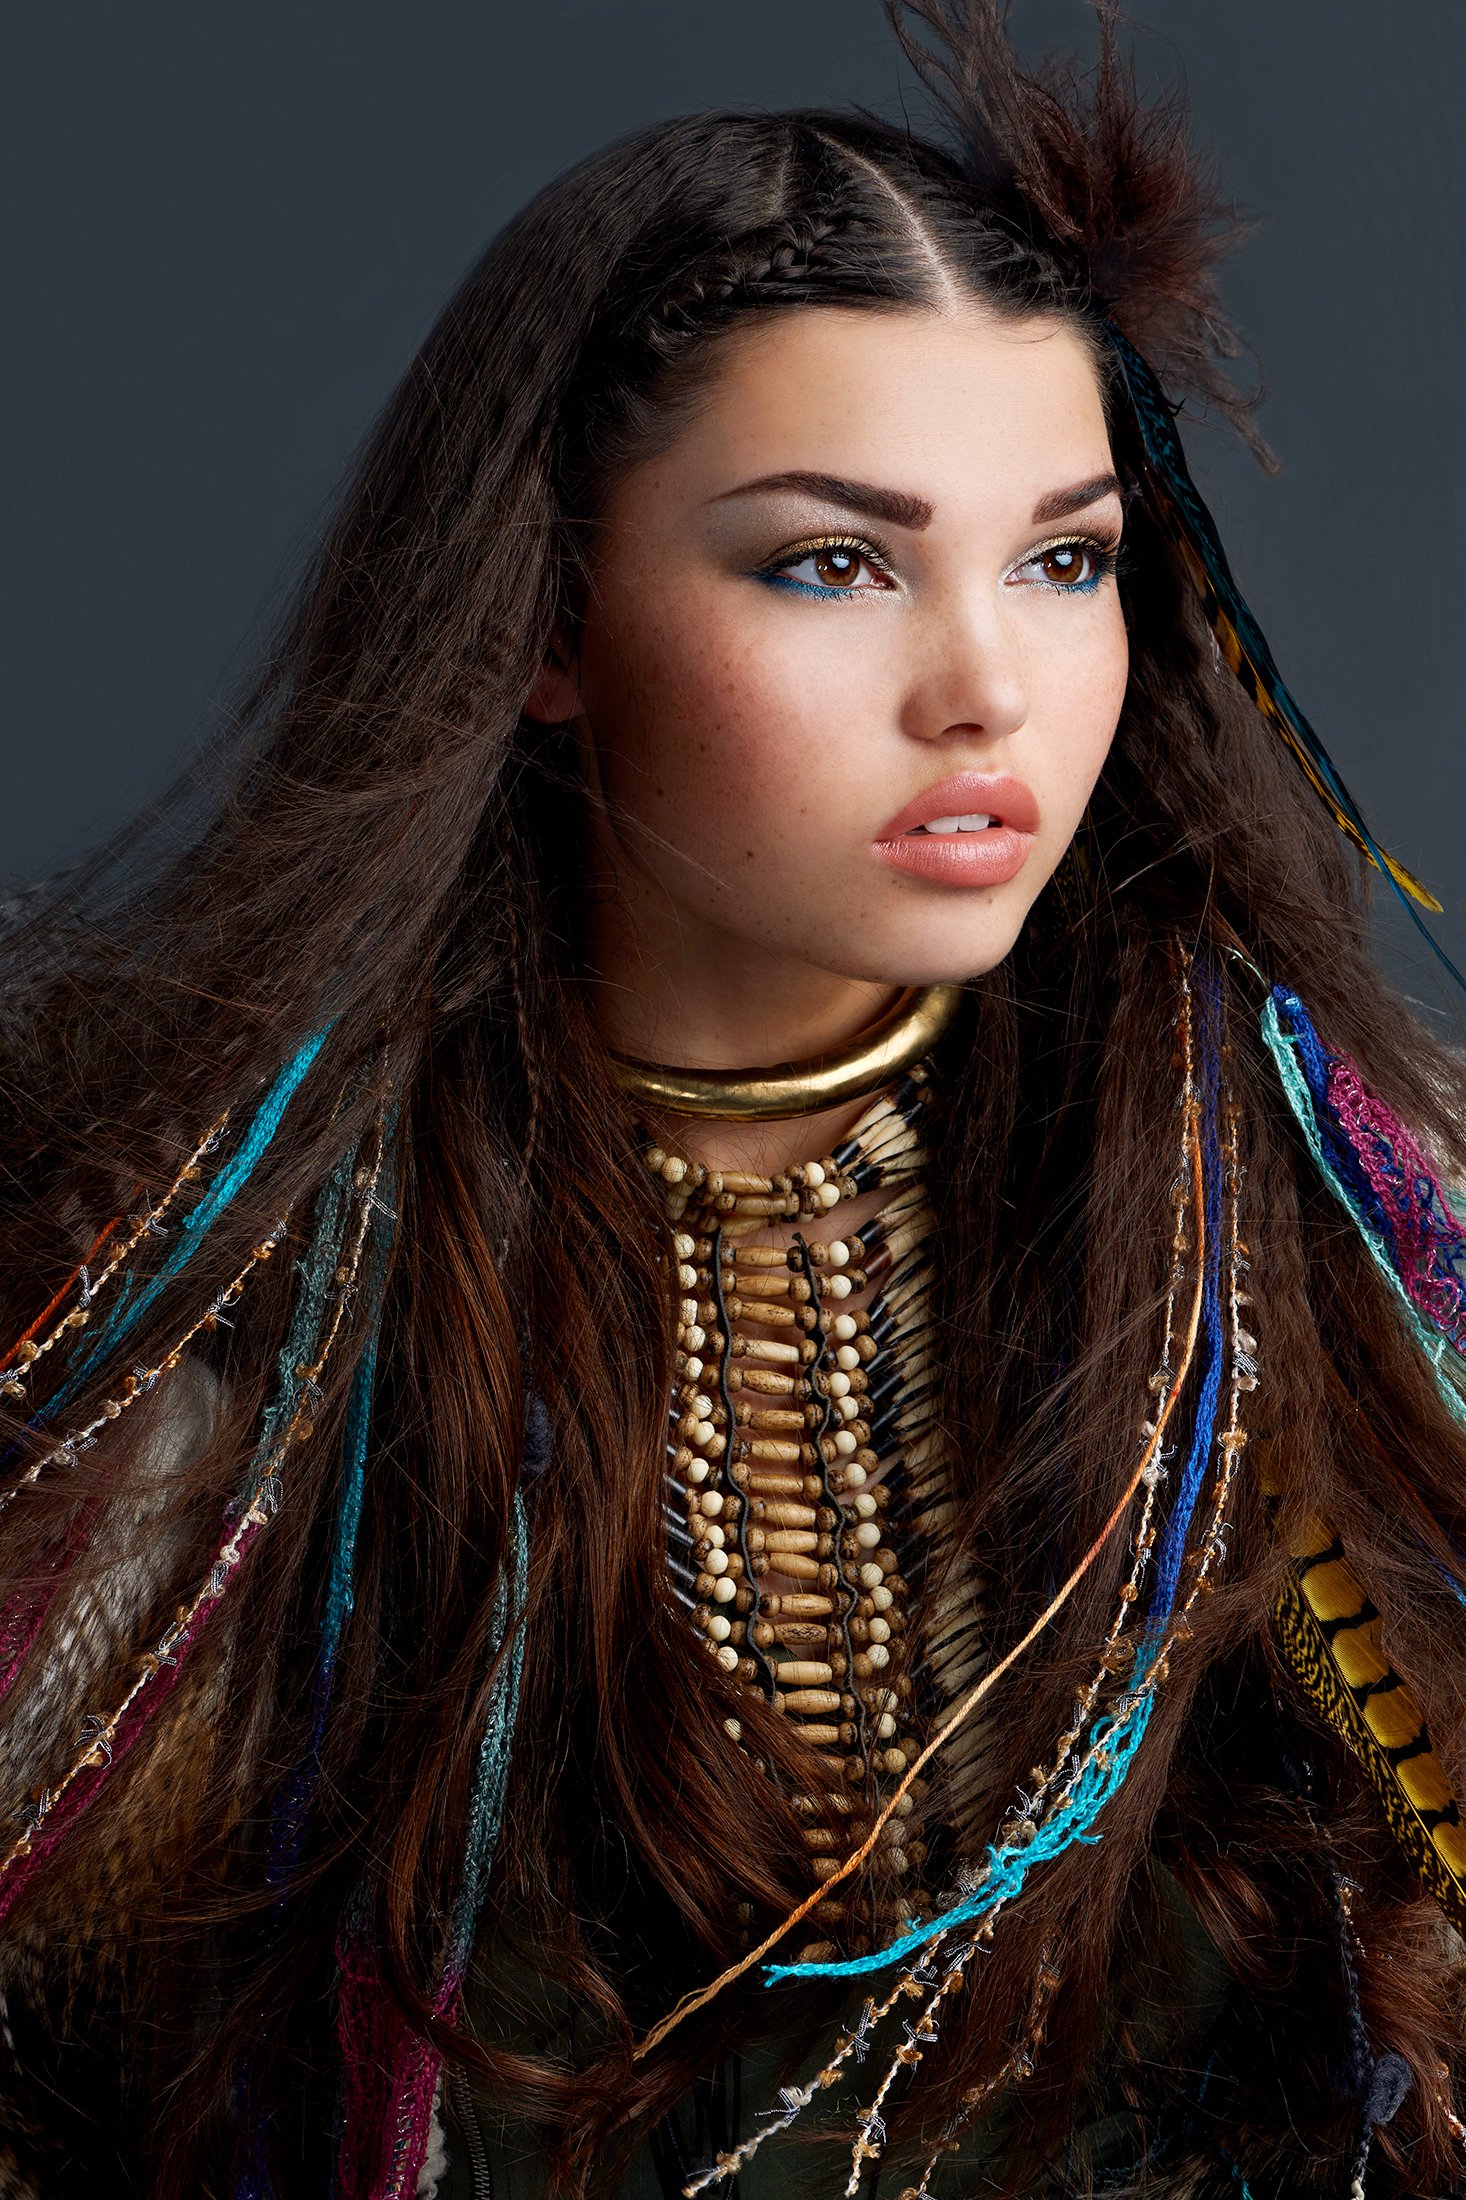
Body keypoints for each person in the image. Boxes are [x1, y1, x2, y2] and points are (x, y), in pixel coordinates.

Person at [1, 3, 1463, 2194]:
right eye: (830, 560)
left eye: (1066, 557)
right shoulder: (205, 1306)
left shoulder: (1309, 1223)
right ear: (550, 622)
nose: (985, 682)